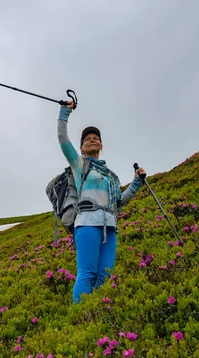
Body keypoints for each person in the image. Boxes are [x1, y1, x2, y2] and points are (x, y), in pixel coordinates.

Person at [57, 101, 145, 304]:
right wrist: (64, 112)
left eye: (96, 138)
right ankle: (80, 317)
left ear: (101, 145)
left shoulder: (111, 176)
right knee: (87, 274)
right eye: (87, 139)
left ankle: (96, 313)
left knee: (104, 275)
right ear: (81, 147)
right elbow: (62, 139)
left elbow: (118, 203)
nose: (92, 140)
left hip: (110, 226)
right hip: (87, 223)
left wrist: (136, 183)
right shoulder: (80, 165)